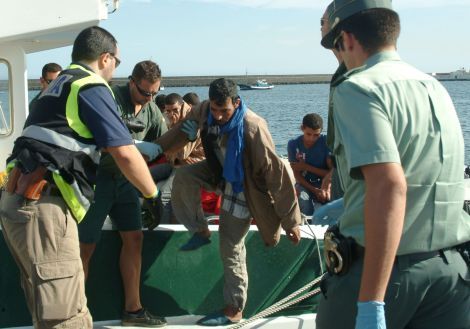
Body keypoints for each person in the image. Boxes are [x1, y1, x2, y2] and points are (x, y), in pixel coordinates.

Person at [316, 1, 470, 329]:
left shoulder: (357, 87)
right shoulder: (435, 88)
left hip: (384, 274)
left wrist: (371, 302)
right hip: (451, 275)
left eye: (336, 46)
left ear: (348, 39)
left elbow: (389, 185)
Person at [0, 26, 166, 329]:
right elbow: (125, 153)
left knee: (48, 310)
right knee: (66, 318)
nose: (115, 69)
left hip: (19, 203)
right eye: (116, 61)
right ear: (105, 58)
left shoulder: (59, 84)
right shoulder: (91, 86)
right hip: (43, 208)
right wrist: (152, 195)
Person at [154, 78, 302, 325]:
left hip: (244, 186)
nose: (219, 116)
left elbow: (277, 176)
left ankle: (234, 309)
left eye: (225, 111)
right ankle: (200, 230)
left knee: (230, 245)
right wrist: (151, 149)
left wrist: (291, 221)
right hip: (218, 171)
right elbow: (177, 135)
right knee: (184, 176)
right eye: (215, 109)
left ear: (237, 102)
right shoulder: (204, 110)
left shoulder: (253, 128)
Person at [78, 60, 167, 327]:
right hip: (98, 178)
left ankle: (133, 310)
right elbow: (98, 140)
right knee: (85, 246)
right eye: (144, 92)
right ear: (131, 82)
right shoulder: (109, 98)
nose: (149, 98)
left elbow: (162, 147)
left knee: (135, 239)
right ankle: (77, 311)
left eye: (155, 94)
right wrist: (136, 145)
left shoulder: (151, 110)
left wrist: (183, 137)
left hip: (126, 181)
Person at [287, 113, 332, 217]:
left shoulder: (326, 142)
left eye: (316, 135)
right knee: (304, 201)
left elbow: (331, 172)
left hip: (326, 184)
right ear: (302, 128)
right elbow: (297, 175)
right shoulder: (293, 145)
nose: (312, 139)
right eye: (308, 134)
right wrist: (314, 190)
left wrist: (306, 167)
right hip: (304, 184)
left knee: (331, 202)